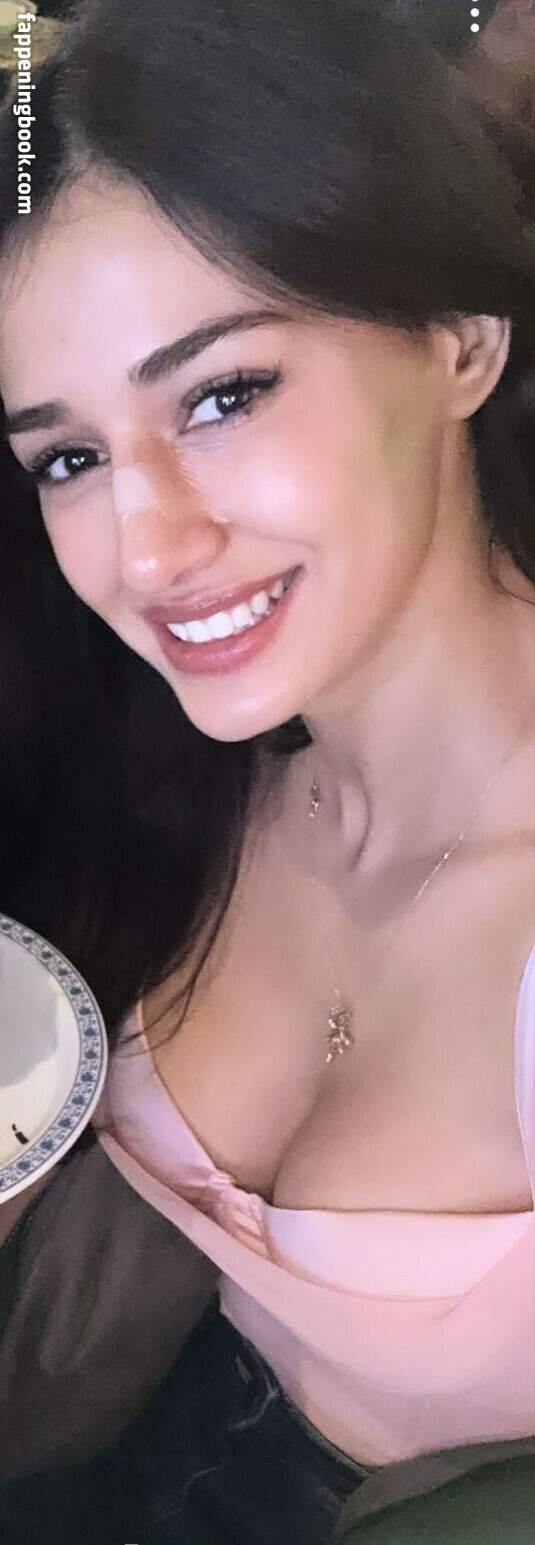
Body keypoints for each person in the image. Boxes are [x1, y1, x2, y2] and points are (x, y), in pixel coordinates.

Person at [0, 0, 533, 1540]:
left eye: (223, 393)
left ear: (458, 338)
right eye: (69, 457)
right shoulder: (176, 773)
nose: (146, 547)